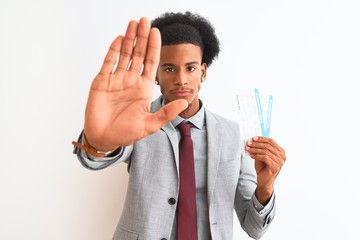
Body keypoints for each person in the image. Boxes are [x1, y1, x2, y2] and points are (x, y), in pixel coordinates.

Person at [72, 11, 286, 240]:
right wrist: (99, 141)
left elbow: (255, 228)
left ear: (202, 72)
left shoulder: (233, 135)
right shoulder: (138, 121)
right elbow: (93, 159)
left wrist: (265, 189)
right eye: (169, 69)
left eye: (190, 68)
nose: (181, 79)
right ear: (156, 74)